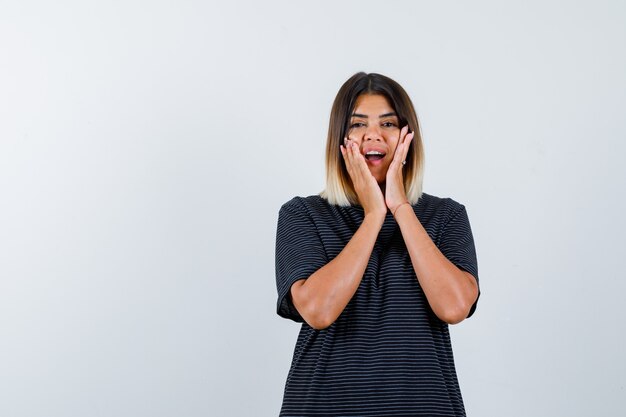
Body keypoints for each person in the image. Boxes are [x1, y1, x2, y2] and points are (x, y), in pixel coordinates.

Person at [274, 72, 480, 416]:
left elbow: (455, 307)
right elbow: (319, 311)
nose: (373, 134)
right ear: (340, 139)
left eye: (388, 123)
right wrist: (373, 215)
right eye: (357, 124)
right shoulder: (303, 215)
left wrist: (399, 207)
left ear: (407, 136)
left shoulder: (446, 216)